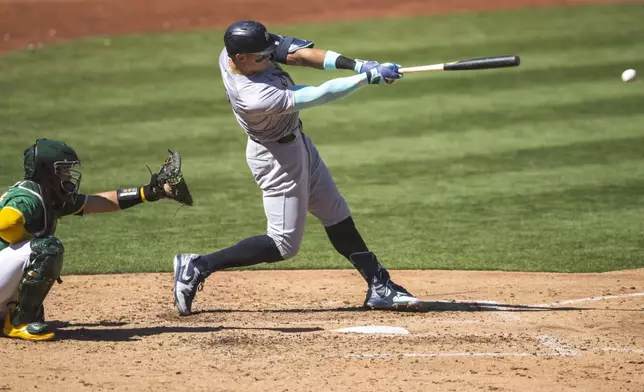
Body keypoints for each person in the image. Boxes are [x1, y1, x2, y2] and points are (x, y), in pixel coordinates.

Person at [172, 20, 422, 316]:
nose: (269, 60)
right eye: (261, 58)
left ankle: (380, 285)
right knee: (283, 244)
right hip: (276, 159)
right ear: (239, 59)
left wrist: (358, 65)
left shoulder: (239, 51)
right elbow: (317, 94)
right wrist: (366, 79)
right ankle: (198, 266)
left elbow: (300, 55)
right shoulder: (253, 97)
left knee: (336, 213)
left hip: (298, 144)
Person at [0, 139, 192, 341]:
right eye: (63, 170)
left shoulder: (51, 195)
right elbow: (5, 224)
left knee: (41, 249)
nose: (69, 175)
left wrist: (146, 192)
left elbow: (95, 202)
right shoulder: (29, 197)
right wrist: (24, 241)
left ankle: (12, 313)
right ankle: (19, 322)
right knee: (46, 248)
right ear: (46, 171)